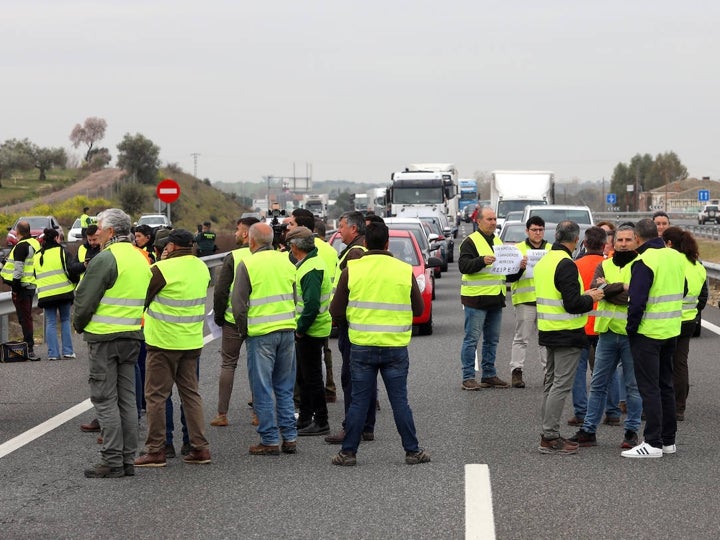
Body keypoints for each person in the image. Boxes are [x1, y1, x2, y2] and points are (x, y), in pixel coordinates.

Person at [329, 222, 429, 466]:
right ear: (387, 243)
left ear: (364, 244)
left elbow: (335, 311)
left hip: (362, 346)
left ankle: (348, 453)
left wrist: (355, 320)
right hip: (395, 346)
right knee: (399, 401)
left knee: (359, 401)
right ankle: (412, 451)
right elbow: (418, 309)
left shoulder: (352, 269)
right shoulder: (403, 270)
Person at [73, 208, 152, 478]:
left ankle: (111, 460)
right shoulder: (141, 258)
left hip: (104, 337)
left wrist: (79, 324)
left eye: (99, 227)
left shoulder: (106, 258)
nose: (97, 232)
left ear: (109, 231)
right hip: (131, 335)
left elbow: (85, 299)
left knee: (105, 399)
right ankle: (127, 459)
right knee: (128, 400)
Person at [135, 229, 212, 467]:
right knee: (191, 395)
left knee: (156, 396)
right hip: (191, 341)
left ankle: (156, 450)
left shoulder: (161, 269)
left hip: (163, 342)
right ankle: (200, 448)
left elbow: (142, 297)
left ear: (171, 247)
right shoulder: (201, 267)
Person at [569, 223, 643, 449]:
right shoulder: (604, 264)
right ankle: (588, 430)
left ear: (636, 241)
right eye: (619, 240)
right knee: (598, 383)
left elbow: (638, 298)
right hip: (607, 333)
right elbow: (596, 293)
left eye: (627, 240)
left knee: (632, 386)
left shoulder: (642, 265)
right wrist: (622, 287)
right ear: (612, 242)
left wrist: (609, 289)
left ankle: (631, 432)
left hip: (632, 335)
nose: (623, 244)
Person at [534, 220, 603, 454]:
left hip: (548, 330)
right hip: (566, 333)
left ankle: (547, 432)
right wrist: (593, 296)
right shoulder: (566, 264)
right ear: (575, 241)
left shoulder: (545, 261)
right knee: (560, 386)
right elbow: (573, 304)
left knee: (551, 383)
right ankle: (550, 437)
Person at [232, 222, 298, 455]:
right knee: (285, 387)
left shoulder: (247, 263)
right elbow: (295, 296)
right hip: (287, 331)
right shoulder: (286, 260)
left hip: (260, 334)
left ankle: (269, 440)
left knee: (262, 388)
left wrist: (243, 330)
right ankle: (290, 437)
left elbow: (238, 305)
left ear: (251, 241)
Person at [622, 218, 685, 458]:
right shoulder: (675, 256)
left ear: (637, 238)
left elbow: (636, 302)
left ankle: (653, 442)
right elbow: (686, 289)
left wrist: (631, 329)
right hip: (671, 330)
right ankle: (668, 441)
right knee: (665, 386)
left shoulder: (643, 260)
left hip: (648, 333)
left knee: (649, 389)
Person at [325, 211, 376, 445]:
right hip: (357, 322)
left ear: (354, 229)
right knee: (362, 378)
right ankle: (365, 427)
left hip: (351, 324)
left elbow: (352, 291)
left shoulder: (355, 253)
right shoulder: (355, 250)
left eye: (342, 226)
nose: (339, 231)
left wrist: (337, 314)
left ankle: (352, 427)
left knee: (352, 378)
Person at [568, 226, 622, 426]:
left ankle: (581, 412)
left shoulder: (574, 265)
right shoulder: (610, 266)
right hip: (605, 326)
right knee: (608, 371)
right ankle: (613, 412)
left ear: (584, 243)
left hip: (581, 325)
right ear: (604, 245)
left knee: (578, 371)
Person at [209, 216, 259, 427]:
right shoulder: (273, 256)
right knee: (258, 367)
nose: (236, 234)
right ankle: (258, 414)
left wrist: (218, 316)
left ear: (247, 234)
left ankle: (222, 414)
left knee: (228, 364)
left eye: (238, 230)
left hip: (232, 320)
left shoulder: (234, 257)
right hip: (260, 321)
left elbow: (221, 291)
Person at [287, 226, 332, 436]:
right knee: (304, 376)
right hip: (313, 328)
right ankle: (305, 418)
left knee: (312, 377)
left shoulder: (310, 268)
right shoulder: (309, 263)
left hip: (311, 330)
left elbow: (312, 305)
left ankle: (321, 420)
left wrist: (300, 329)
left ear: (295, 247)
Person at [458, 206, 509, 390]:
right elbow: (463, 265)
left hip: (495, 298)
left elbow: (504, 270)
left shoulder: (497, 240)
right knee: (472, 339)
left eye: (495, 219)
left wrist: (518, 266)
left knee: (492, 339)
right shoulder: (470, 242)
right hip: (476, 299)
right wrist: (481, 261)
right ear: (478, 221)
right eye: (489, 219)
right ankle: (468, 377)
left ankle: (489, 374)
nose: (493, 222)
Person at [662, 226, 708, 422]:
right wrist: (694, 313)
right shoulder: (697, 265)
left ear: (670, 244)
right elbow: (703, 296)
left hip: (668, 318)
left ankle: (662, 405)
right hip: (689, 320)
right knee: (680, 364)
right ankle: (679, 407)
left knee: (663, 363)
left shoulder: (672, 262)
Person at [507, 216, 550, 388]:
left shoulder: (551, 250)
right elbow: (509, 278)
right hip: (525, 301)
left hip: (547, 302)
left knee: (546, 340)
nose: (538, 233)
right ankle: (516, 372)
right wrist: (520, 267)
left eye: (540, 229)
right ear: (527, 231)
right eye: (534, 230)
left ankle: (549, 374)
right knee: (521, 339)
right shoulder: (518, 249)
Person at [0, 221, 41, 360]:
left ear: (17, 232)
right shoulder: (34, 243)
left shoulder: (21, 246)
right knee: (26, 317)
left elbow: (18, 270)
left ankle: (29, 348)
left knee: (24, 318)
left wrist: (15, 289)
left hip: (22, 287)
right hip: (31, 285)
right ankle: (28, 346)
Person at [34, 228, 75, 361]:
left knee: (51, 322)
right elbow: (71, 269)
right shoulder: (62, 251)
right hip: (63, 293)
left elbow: (36, 275)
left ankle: (53, 354)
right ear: (56, 238)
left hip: (46, 295)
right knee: (65, 321)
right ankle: (68, 351)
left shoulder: (37, 255)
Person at [314, 219, 339, 403]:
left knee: (312, 352)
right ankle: (330, 388)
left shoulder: (309, 249)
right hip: (329, 305)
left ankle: (315, 391)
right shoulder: (331, 250)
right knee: (325, 349)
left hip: (312, 305)